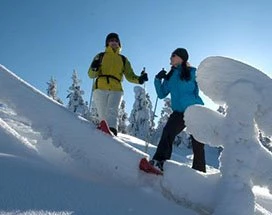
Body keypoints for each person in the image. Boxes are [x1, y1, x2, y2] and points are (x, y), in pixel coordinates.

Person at [150, 48, 206, 173]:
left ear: (181, 57)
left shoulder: (192, 72)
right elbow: (161, 94)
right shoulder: (170, 77)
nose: (170, 58)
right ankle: (159, 162)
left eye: (173, 55)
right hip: (179, 112)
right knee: (168, 132)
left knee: (198, 142)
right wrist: (157, 80)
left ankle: (199, 172)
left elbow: (205, 84)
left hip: (194, 110)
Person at [88, 33, 148, 136]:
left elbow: (130, 76)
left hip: (116, 88)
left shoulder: (123, 59)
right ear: (107, 43)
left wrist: (140, 79)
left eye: (116, 40)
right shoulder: (100, 56)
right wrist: (94, 67)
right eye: (111, 40)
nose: (113, 42)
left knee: (112, 110)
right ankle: (103, 131)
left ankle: (112, 130)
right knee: (102, 113)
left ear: (119, 43)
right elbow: (91, 75)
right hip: (100, 87)